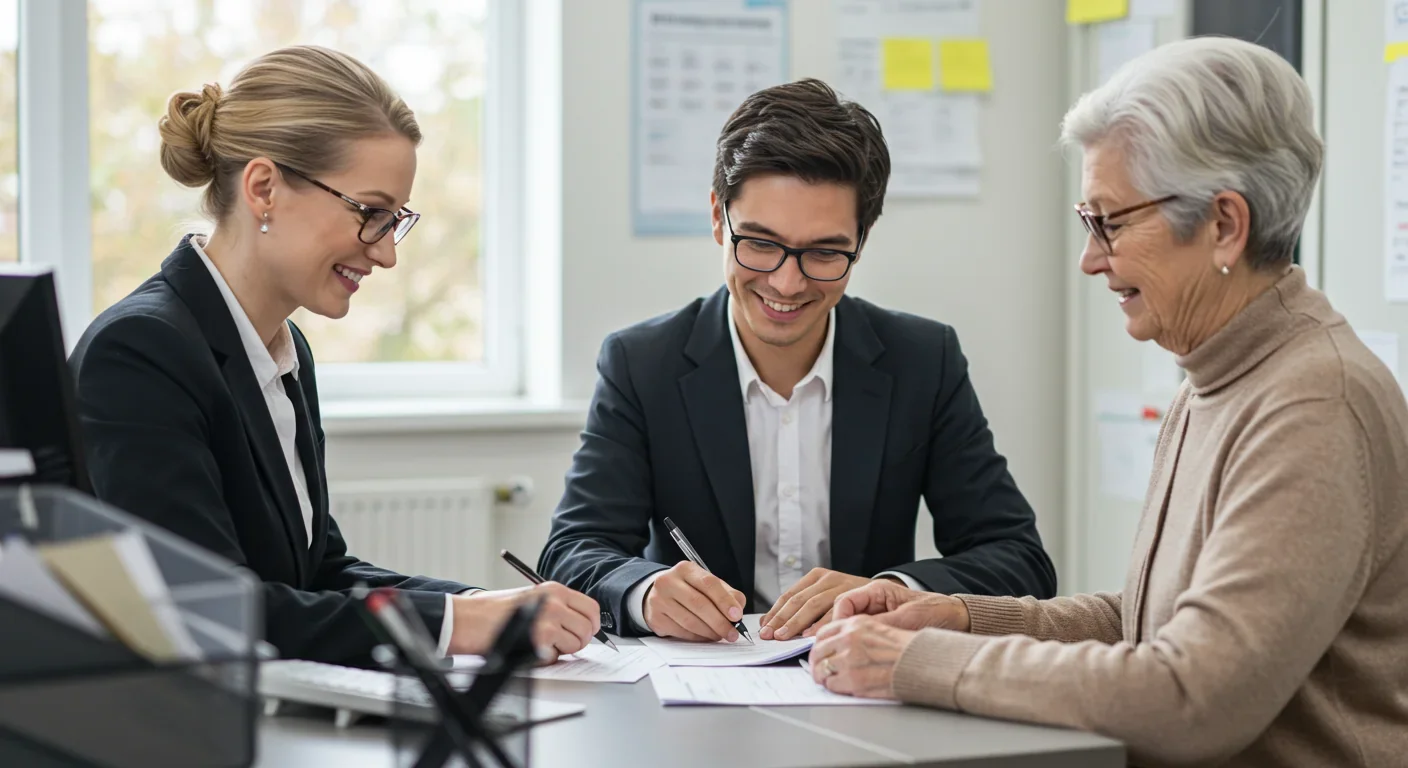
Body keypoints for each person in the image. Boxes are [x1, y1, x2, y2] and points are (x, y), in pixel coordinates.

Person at [807, 37, 1408, 767]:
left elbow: (1191, 695)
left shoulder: (1314, 405)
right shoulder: (1219, 377)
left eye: (1111, 223)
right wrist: (959, 619)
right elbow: (1146, 625)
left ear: (1224, 224)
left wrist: (919, 664)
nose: (1091, 258)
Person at [69, 46, 600, 667]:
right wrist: (458, 621)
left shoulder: (285, 352)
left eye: (395, 220)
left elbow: (319, 572)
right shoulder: (140, 352)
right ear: (264, 188)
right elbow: (206, 608)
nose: (386, 254)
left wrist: (491, 606)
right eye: (370, 213)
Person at [537, 79, 1056, 645]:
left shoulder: (922, 361)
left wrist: (892, 590)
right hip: (699, 691)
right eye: (759, 243)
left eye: (825, 253)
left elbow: (1019, 559)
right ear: (718, 218)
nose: (787, 282)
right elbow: (572, 550)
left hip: (865, 683)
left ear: (862, 240)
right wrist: (646, 591)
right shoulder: (642, 364)